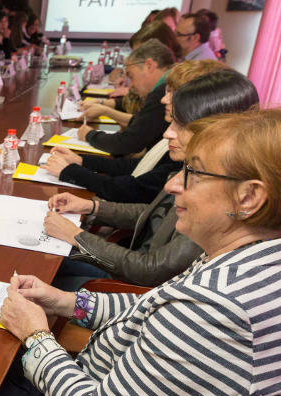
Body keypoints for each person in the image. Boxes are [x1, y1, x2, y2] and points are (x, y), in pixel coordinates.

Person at [0, 108, 281, 396]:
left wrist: (36, 336)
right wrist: (67, 302)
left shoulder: (216, 310)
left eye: (194, 173)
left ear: (248, 197)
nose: (172, 186)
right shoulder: (249, 260)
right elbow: (150, 309)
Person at [41, 69, 259, 291]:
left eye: (181, 125)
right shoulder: (192, 167)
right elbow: (155, 214)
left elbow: (149, 270)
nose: (167, 133)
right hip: (128, 265)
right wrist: (92, 206)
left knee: (41, 272)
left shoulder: (215, 197)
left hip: (131, 287)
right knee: (43, 259)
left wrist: (77, 236)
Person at [44, 60, 229, 204]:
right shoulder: (176, 134)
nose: (163, 100)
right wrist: (82, 160)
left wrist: (71, 171)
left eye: (171, 93)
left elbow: (133, 189)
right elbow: (135, 167)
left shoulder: (186, 146)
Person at [77, 40, 174, 155]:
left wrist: (90, 135)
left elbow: (126, 143)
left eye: (131, 77)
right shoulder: (167, 84)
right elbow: (141, 122)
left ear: (149, 66)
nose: (131, 86)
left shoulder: (163, 93)